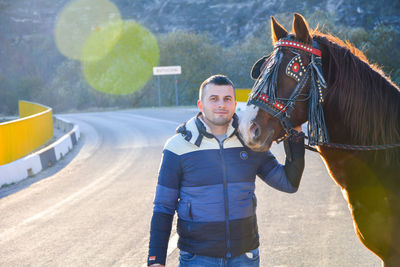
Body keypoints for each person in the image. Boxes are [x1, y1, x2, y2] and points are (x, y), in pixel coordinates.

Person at [147, 75, 305, 266]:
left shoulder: (250, 141)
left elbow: (288, 183)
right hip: (197, 258)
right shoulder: (178, 147)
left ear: (234, 103)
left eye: (227, 99)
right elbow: (163, 207)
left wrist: (295, 137)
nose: (221, 104)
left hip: (244, 257)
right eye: (213, 99)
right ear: (200, 104)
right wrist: (156, 259)